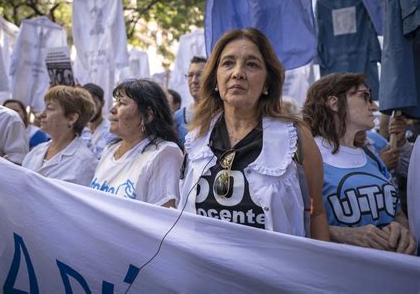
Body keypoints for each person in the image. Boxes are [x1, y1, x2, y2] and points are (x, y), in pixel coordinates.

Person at [178, 28, 330, 240]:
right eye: (228, 63)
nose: (238, 73)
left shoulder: (296, 137)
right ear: (215, 79)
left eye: (251, 64)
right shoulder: (195, 139)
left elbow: (317, 213)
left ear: (267, 82)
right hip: (202, 271)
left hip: (273, 272)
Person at [303, 73, 416, 254]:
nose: (374, 106)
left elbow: (397, 213)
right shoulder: (306, 154)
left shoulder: (371, 154)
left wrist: (401, 230)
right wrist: (343, 234)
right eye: (365, 96)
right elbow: (293, 223)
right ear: (333, 103)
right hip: (340, 272)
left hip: (390, 270)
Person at [90, 79, 183, 207]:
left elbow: (163, 219)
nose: (112, 109)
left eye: (122, 103)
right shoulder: (110, 149)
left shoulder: (165, 153)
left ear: (148, 115)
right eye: (116, 102)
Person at [22, 85, 97, 186]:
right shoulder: (36, 151)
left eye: (50, 108)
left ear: (71, 118)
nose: (41, 114)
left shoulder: (85, 162)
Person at [174, 56, 207, 147]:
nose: (194, 81)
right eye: (190, 75)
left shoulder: (223, 113)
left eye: (199, 75)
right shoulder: (177, 118)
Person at [80, 83, 114, 159]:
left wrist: (84, 128)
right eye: (85, 103)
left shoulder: (110, 130)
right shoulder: (76, 128)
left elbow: (95, 158)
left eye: (94, 102)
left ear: (102, 103)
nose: (89, 107)